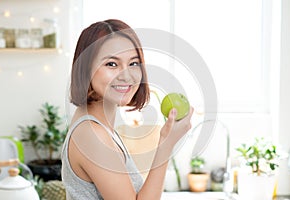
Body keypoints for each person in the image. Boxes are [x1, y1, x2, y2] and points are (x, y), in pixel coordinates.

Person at [61, 19, 194, 200]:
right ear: (85, 69)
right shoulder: (92, 134)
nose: (126, 75)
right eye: (112, 64)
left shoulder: (100, 128)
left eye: (133, 63)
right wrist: (166, 144)